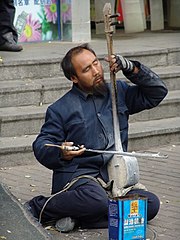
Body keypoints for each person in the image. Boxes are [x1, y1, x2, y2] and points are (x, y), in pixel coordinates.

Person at [25, 43, 168, 232]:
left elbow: (158, 92)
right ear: (74, 78)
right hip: (79, 180)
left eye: (96, 63)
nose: (96, 71)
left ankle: (80, 219)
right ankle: (39, 206)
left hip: (114, 179)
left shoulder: (119, 92)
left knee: (149, 205)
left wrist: (131, 68)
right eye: (87, 69)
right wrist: (62, 151)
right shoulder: (60, 109)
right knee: (97, 201)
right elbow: (42, 145)